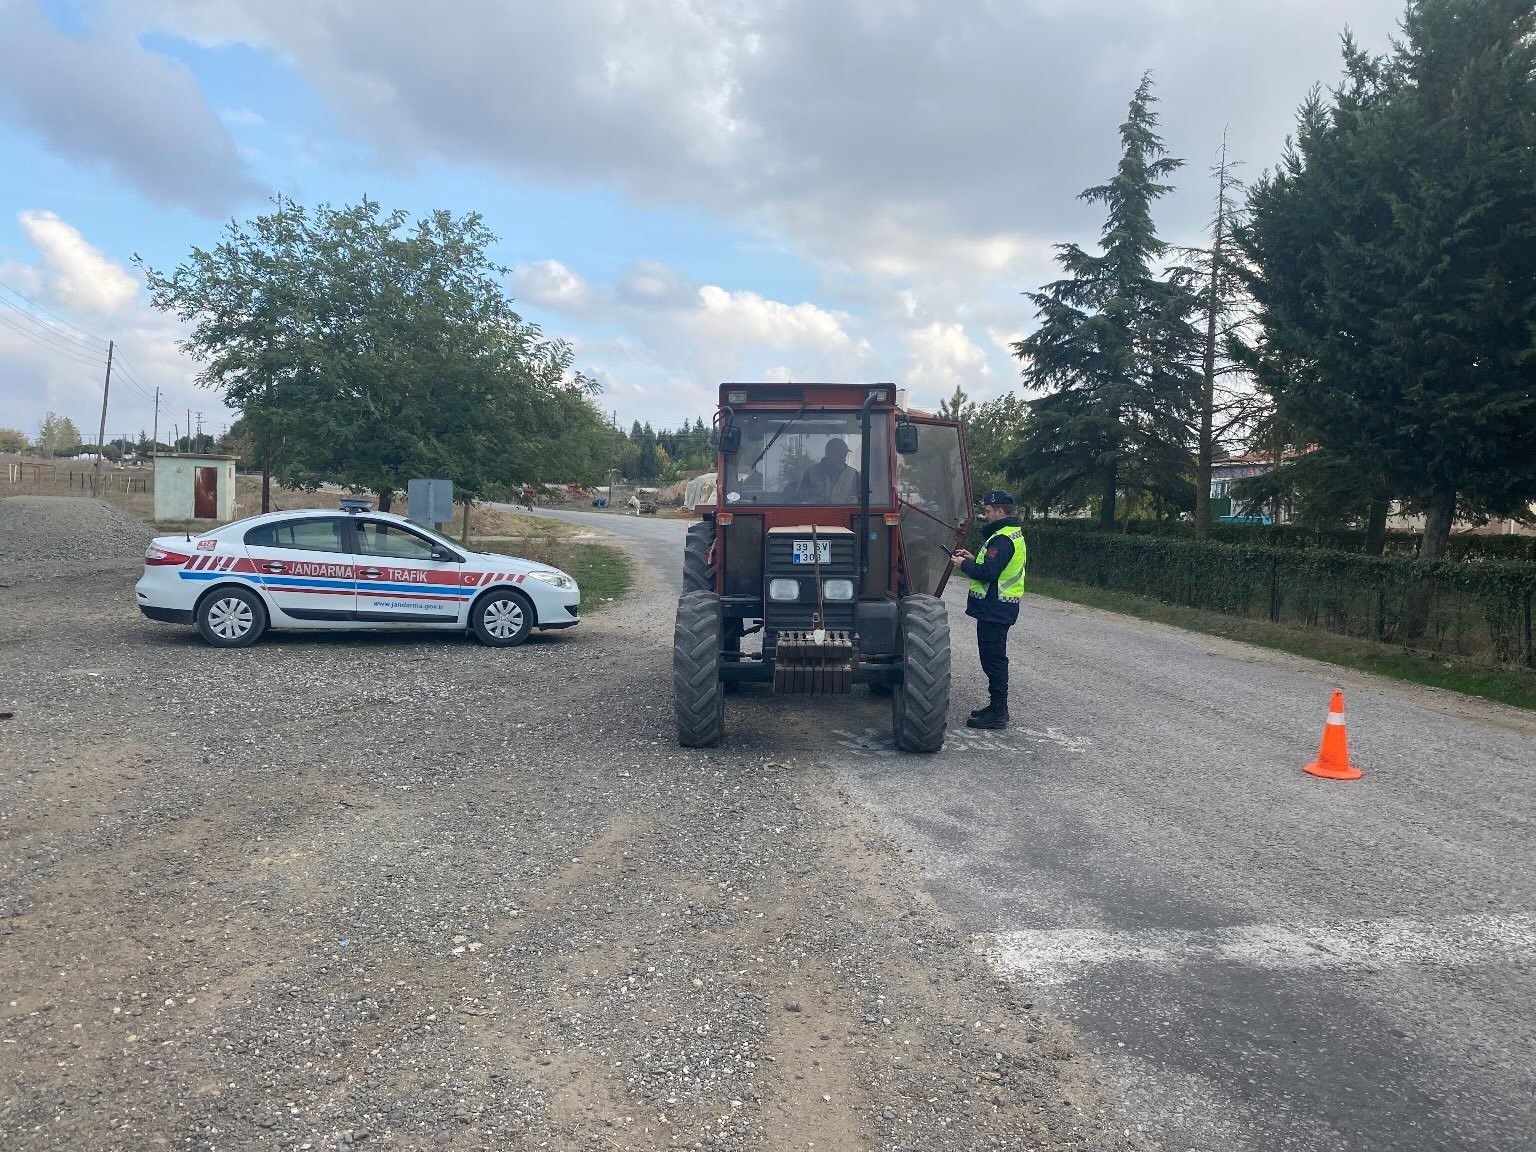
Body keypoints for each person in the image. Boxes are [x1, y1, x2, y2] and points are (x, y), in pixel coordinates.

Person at [950, 490, 1026, 729]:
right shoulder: (1008, 535)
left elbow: (989, 573)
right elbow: (994, 567)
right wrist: (973, 558)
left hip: (996, 608)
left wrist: (965, 565)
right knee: (992, 657)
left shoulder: (1002, 538)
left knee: (994, 659)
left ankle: (998, 712)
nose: (985, 515)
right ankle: (995, 707)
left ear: (1000, 511)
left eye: (988, 511)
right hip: (998, 607)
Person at [795, 437, 859, 502]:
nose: (844, 459)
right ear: (829, 454)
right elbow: (798, 499)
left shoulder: (853, 474)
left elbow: (862, 501)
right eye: (840, 455)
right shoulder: (811, 473)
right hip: (816, 512)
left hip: (844, 512)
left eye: (845, 455)